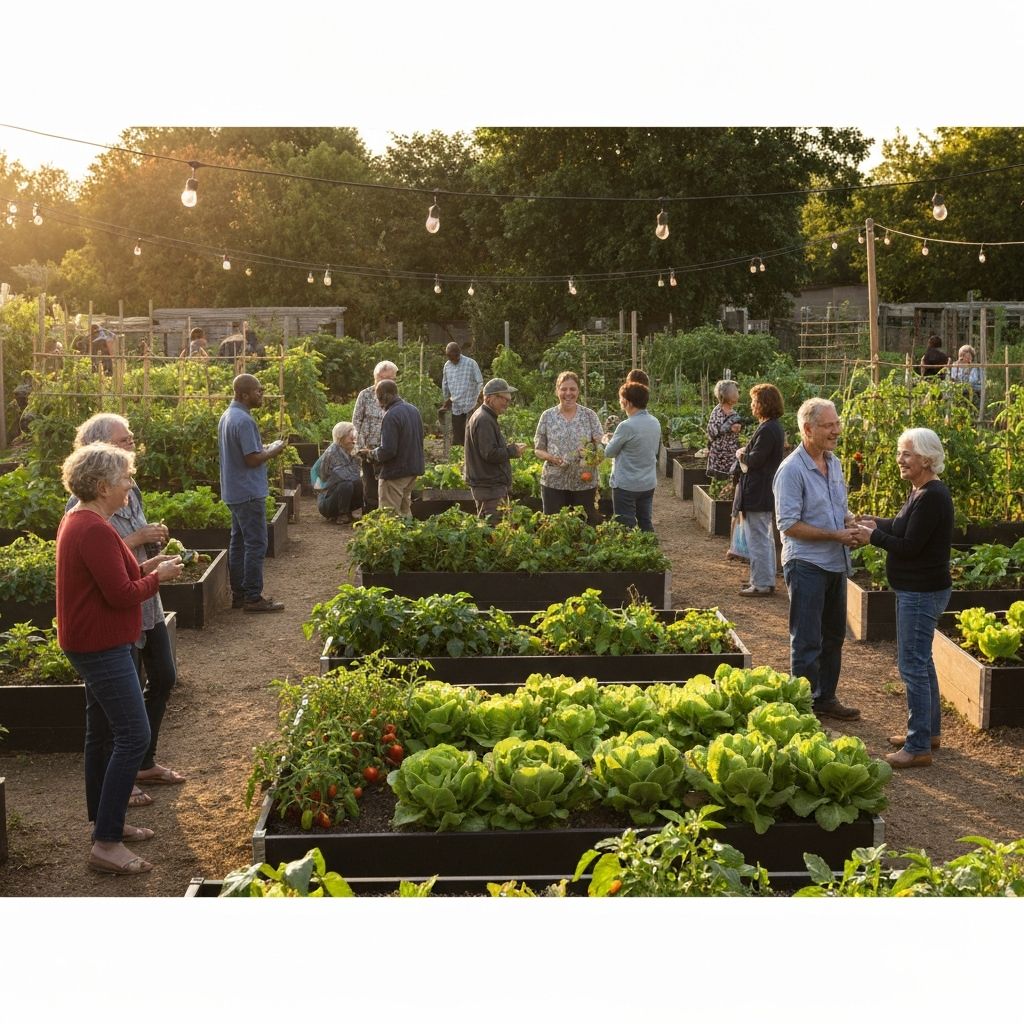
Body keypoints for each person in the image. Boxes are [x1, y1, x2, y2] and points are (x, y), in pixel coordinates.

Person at [56, 443, 183, 875]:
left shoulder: (87, 520)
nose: (131, 484)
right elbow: (119, 595)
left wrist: (152, 567)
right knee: (133, 735)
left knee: (102, 733)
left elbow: (114, 577)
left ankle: (106, 824)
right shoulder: (91, 527)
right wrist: (157, 578)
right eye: (125, 478)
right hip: (101, 644)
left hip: (92, 640)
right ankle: (106, 843)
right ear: (103, 484)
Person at [853, 428, 953, 768]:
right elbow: (902, 527)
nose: (900, 459)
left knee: (912, 664)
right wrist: (873, 522)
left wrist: (873, 537)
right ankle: (929, 732)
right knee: (922, 662)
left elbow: (909, 546)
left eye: (906, 454)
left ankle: (918, 746)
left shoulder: (932, 497)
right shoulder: (921, 492)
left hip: (921, 592)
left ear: (926, 458)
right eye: (900, 453)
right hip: (920, 590)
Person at [773, 397, 863, 721]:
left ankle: (825, 697)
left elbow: (837, 508)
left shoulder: (834, 463)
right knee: (807, 638)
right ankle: (802, 706)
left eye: (836, 424)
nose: (836, 430)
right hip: (807, 562)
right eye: (829, 425)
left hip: (835, 563)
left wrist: (852, 523)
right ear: (808, 429)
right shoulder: (791, 470)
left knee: (834, 636)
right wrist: (833, 535)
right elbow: (788, 524)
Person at [217, 373, 287, 612]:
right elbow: (252, 459)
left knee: (238, 543)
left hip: (234, 490)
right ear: (244, 394)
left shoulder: (228, 416)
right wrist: (274, 450)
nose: (262, 395)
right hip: (248, 492)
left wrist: (263, 449)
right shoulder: (244, 421)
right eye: (258, 391)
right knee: (256, 544)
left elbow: (245, 453)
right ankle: (253, 597)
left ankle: (239, 594)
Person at [734, 383, 786, 596]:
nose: (752, 405)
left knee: (758, 538)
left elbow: (755, 460)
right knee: (762, 537)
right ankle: (763, 580)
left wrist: (741, 455)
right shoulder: (772, 426)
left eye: (755, 401)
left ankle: (762, 583)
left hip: (758, 490)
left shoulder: (768, 429)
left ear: (764, 403)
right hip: (763, 489)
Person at [533, 370, 604, 522]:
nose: (568, 393)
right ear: (557, 391)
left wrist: (592, 456)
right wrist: (551, 458)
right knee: (554, 526)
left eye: (572, 389)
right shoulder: (547, 416)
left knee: (584, 527)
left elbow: (600, 445)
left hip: (584, 481)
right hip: (554, 481)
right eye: (563, 389)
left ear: (578, 391)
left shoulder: (589, 415)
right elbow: (538, 449)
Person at [602, 380, 661, 532]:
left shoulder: (626, 426)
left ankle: (628, 554)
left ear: (628, 403)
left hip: (627, 485)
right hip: (647, 482)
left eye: (621, 399)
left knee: (624, 526)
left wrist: (606, 440)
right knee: (645, 523)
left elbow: (609, 452)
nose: (620, 402)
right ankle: (651, 551)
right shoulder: (655, 422)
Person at [464, 378, 527, 518]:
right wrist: (513, 450)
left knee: (494, 530)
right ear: (490, 398)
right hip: (489, 488)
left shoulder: (486, 417)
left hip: (489, 486)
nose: (507, 403)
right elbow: (490, 453)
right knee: (493, 530)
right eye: (504, 399)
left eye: (509, 400)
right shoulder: (484, 419)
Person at [368, 378, 424, 517]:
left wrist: (371, 454)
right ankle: (409, 539)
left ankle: (391, 540)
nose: (378, 402)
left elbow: (388, 450)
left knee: (389, 518)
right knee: (405, 513)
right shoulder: (413, 410)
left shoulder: (391, 415)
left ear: (386, 396)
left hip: (396, 473)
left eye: (379, 397)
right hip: (412, 470)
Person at [352, 360, 397, 511]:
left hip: (387, 449)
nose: (383, 382)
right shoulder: (364, 395)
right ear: (375, 378)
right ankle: (369, 518)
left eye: (388, 378)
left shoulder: (396, 397)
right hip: (368, 448)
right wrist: (359, 446)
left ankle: (384, 518)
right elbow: (356, 421)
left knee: (387, 486)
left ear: (394, 379)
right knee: (370, 486)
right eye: (381, 378)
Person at [316, 421, 364, 525]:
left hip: (343, 494)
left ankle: (349, 512)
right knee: (346, 484)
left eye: (353, 435)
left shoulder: (355, 451)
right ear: (340, 437)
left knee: (359, 483)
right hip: (328, 500)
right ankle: (342, 514)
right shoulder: (331, 454)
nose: (353, 439)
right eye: (349, 435)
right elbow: (322, 477)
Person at [440, 342, 483, 447]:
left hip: (470, 404)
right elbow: (445, 384)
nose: (450, 359)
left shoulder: (471, 363)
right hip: (456, 405)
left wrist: (479, 399)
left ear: (458, 353)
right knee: (458, 435)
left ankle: (472, 453)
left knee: (472, 433)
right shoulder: (447, 366)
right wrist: (446, 400)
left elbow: (480, 382)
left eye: (452, 356)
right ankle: (459, 456)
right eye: (448, 356)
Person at [706, 379, 743, 478]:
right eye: (735, 392)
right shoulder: (718, 411)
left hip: (731, 454)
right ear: (727, 395)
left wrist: (738, 428)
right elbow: (711, 431)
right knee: (719, 483)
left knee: (730, 483)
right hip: (719, 455)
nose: (737, 394)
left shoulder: (734, 413)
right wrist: (729, 428)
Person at [948, 344, 982, 409]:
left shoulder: (976, 367)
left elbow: (974, 381)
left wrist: (968, 371)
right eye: (963, 356)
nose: (966, 359)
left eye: (969, 356)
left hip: (973, 390)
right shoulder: (955, 366)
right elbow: (954, 378)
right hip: (959, 390)